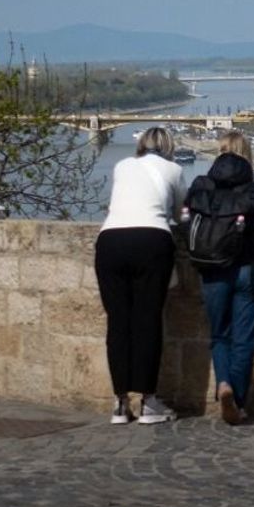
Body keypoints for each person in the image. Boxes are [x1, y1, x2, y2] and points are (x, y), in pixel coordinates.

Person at [190, 132, 254, 425]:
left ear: (219, 152)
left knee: (220, 335)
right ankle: (239, 404)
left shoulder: (200, 185)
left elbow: (186, 224)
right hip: (248, 269)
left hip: (213, 271)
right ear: (247, 155)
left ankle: (223, 385)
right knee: (244, 338)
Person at [95, 127, 187, 425]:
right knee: (147, 321)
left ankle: (120, 402)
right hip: (151, 241)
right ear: (169, 147)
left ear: (142, 144)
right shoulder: (173, 169)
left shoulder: (122, 166)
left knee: (118, 322)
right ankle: (148, 401)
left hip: (110, 241)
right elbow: (179, 214)